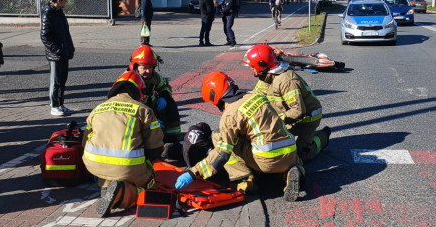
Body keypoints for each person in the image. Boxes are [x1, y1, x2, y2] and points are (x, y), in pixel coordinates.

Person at [174, 71, 303, 202]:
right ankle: (293, 171)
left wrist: (193, 173)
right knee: (279, 151)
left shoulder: (230, 115)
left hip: (267, 160)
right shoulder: (256, 95)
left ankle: (244, 179)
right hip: (291, 151)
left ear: (214, 97)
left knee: (218, 136)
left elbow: (221, 154)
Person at [83, 70, 164, 217]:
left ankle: (107, 185)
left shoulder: (98, 108)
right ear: (139, 91)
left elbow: (84, 140)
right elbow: (156, 147)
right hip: (127, 167)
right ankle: (123, 194)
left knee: (111, 173)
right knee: (151, 186)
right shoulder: (143, 110)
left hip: (92, 164)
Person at [244, 44, 330, 162]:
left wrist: (273, 122)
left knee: (298, 156)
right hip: (285, 116)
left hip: (306, 119)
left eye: (252, 66)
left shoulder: (286, 81)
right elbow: (256, 95)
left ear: (262, 66)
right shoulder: (265, 77)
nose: (250, 68)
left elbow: (298, 111)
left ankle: (322, 137)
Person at [128, 44, 183, 162]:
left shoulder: (154, 76)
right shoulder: (128, 81)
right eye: (144, 67)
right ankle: (148, 149)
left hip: (150, 111)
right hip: (134, 118)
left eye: (151, 67)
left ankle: (171, 140)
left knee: (170, 104)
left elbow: (165, 86)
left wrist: (163, 97)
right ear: (135, 66)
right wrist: (151, 121)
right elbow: (128, 109)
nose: (148, 70)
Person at [40, 0, 75, 117]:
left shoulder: (60, 13)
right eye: (64, 0)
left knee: (63, 80)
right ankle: (54, 106)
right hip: (55, 55)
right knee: (55, 81)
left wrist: (70, 48)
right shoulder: (48, 14)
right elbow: (45, 36)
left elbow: (66, 33)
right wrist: (57, 50)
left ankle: (61, 104)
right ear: (58, 1)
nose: (66, 2)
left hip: (64, 52)